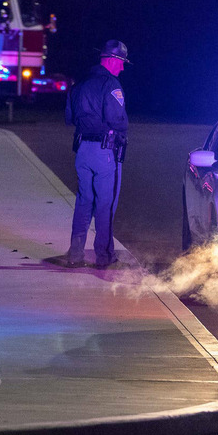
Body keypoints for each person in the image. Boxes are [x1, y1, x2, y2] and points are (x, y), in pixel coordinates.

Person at [64, 40, 131, 268]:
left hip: (82, 151)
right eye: (121, 63)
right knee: (105, 204)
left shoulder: (79, 83)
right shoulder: (111, 84)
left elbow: (69, 118)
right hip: (105, 152)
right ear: (113, 60)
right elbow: (117, 120)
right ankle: (104, 256)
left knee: (83, 201)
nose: (122, 68)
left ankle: (75, 253)